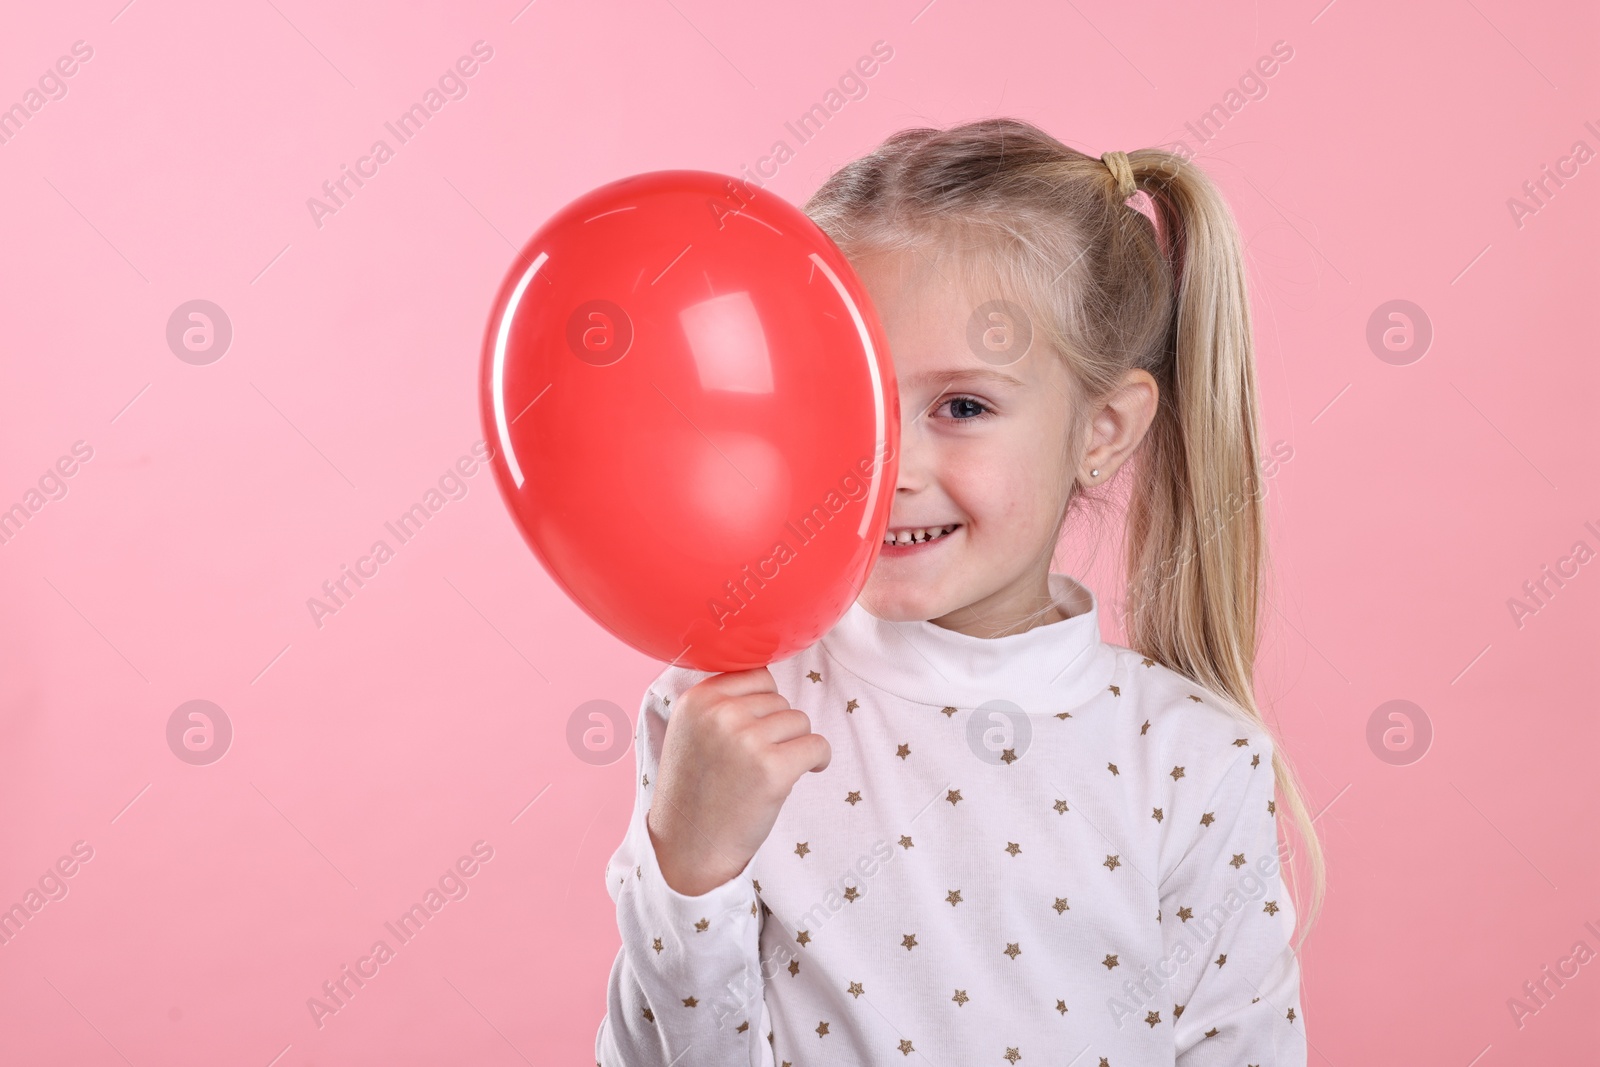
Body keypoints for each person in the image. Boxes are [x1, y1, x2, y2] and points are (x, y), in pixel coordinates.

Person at [595, 117, 1325, 1066]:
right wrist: (687, 873)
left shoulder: (1193, 759)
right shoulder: (723, 709)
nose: (888, 467)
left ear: (1103, 428)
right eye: (846, 398)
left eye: (963, 406)